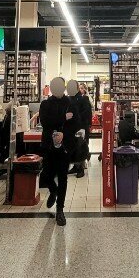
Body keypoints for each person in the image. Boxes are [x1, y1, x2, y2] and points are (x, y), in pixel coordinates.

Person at [39, 77, 78, 227]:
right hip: (49, 145)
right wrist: (62, 118)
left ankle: (60, 209)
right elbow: (45, 122)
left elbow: (75, 124)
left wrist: (64, 134)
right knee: (46, 175)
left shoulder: (70, 104)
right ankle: (53, 190)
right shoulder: (45, 104)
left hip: (64, 147)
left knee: (63, 178)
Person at [68, 80, 93, 178]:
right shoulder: (69, 98)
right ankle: (75, 167)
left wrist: (86, 125)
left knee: (80, 147)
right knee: (74, 147)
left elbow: (87, 113)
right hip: (72, 127)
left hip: (81, 127)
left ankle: (81, 169)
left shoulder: (83, 98)